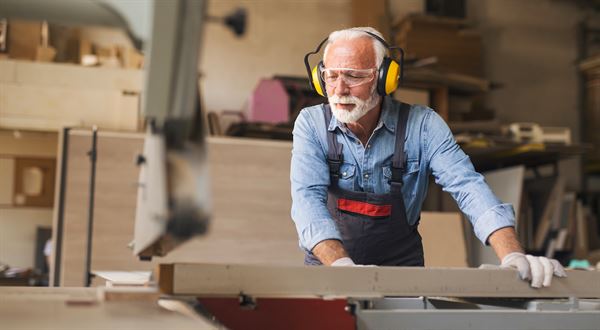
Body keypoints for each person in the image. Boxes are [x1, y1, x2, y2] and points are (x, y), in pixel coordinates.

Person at [290, 27, 566, 288]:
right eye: (331, 75)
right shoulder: (311, 124)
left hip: (400, 271)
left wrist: (513, 256)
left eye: (353, 76)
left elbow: (468, 186)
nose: (339, 90)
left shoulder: (423, 125)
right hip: (330, 268)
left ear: (386, 77)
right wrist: (341, 267)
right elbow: (307, 200)